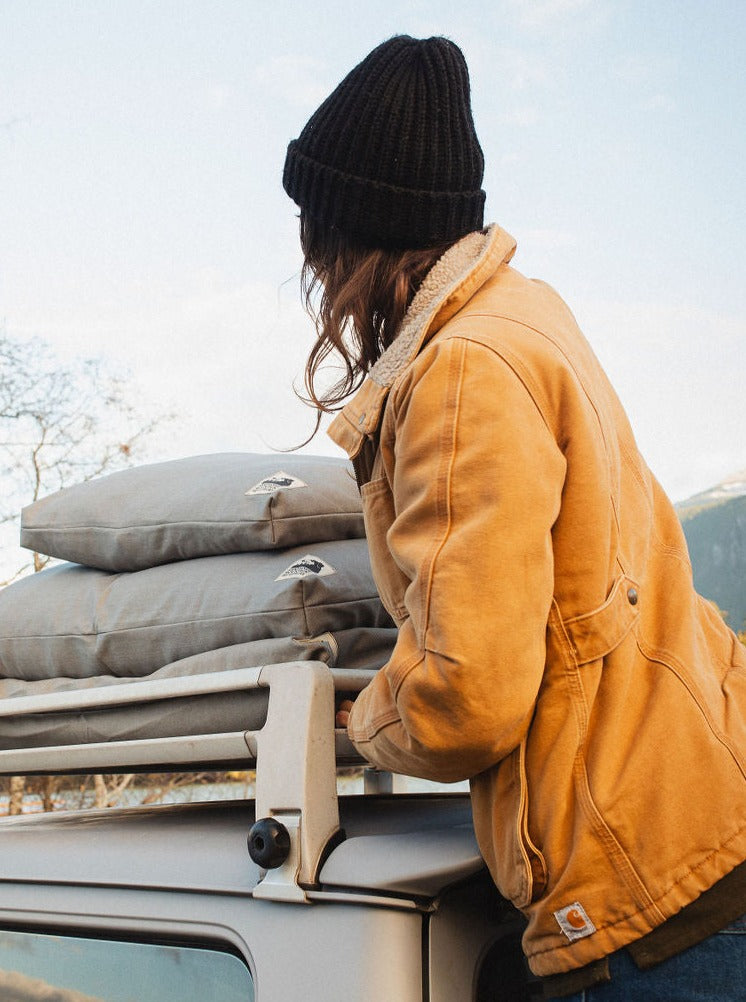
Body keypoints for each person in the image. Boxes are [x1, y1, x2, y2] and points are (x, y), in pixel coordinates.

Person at [282, 34, 746, 999]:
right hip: (694, 818)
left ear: (352, 229)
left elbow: (467, 696)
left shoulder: (460, 370)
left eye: (316, 231)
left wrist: (356, 717)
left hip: (638, 887)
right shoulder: (529, 317)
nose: (315, 268)